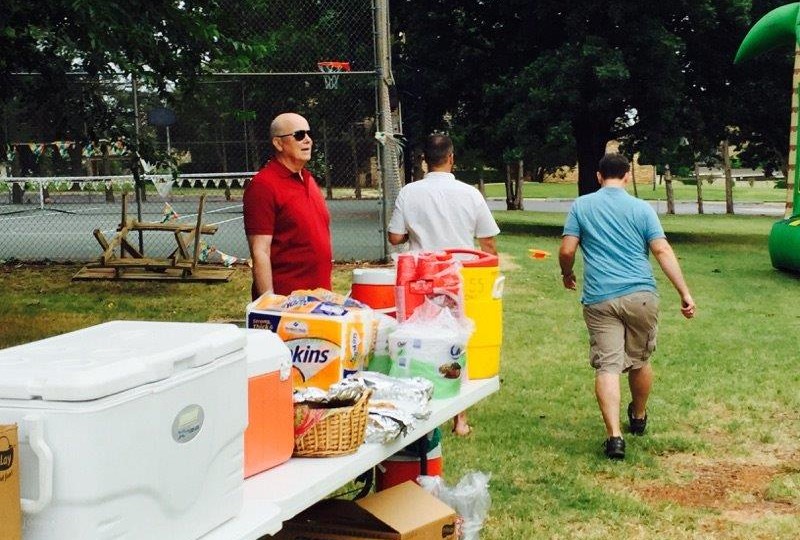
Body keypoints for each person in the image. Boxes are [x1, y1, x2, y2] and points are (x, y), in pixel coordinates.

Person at [559, 153, 695, 460]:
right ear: (627, 176)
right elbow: (661, 249)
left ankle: (614, 437)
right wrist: (684, 292)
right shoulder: (642, 209)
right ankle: (638, 416)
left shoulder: (582, 206)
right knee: (640, 360)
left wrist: (567, 273)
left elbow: (567, 249)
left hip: (599, 298)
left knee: (608, 366)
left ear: (597, 176)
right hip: (641, 296)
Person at [388, 133, 500, 436]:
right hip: (459, 277)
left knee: (417, 339)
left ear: (426, 159)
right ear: (451, 157)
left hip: (420, 277)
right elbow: (487, 240)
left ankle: (418, 404)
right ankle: (459, 417)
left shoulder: (409, 193)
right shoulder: (470, 194)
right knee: (456, 342)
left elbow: (395, 237)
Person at [243, 112, 333, 299]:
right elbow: (260, 251)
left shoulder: (307, 178)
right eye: (299, 135)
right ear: (278, 143)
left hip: (319, 298)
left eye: (309, 134)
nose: (307, 140)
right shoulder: (263, 185)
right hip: (287, 304)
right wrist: (269, 305)